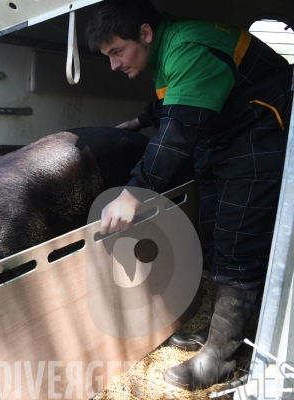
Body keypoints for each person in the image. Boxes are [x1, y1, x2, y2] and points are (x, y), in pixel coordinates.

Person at [86, 0, 293, 390]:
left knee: (238, 242)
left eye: (117, 51)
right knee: (214, 233)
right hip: (225, 139)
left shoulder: (188, 47)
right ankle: (222, 332)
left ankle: (220, 359)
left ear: (145, 33)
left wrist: (134, 193)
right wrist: (141, 119)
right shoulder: (166, 50)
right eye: (108, 56)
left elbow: (177, 133)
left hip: (258, 137)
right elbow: (174, 99)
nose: (114, 64)